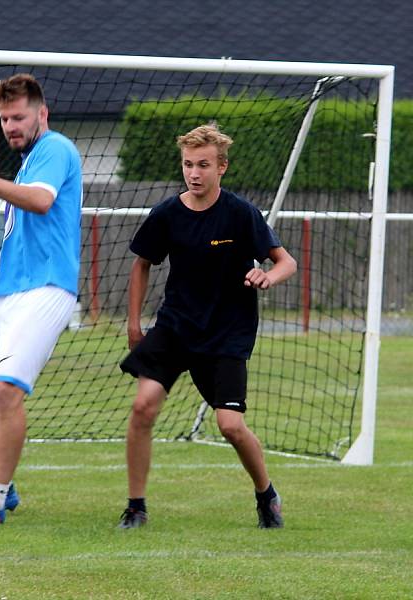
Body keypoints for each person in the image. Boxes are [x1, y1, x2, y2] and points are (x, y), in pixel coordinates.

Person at [118, 123, 297, 530]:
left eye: (203, 165)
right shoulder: (166, 214)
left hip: (226, 334)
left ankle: (266, 493)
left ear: (222, 168)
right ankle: (135, 506)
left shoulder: (240, 214)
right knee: (143, 405)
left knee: (230, 425)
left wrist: (269, 276)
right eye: (187, 165)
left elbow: (286, 261)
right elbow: (142, 263)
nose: (194, 173)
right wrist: (134, 323)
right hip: (176, 326)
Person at [0, 73, 83, 525]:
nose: (10, 125)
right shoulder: (27, 160)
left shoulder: (55, 148)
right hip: (9, 290)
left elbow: (42, 202)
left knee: (6, 391)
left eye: (19, 116)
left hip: (47, 287)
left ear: (41, 115)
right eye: (5, 118)